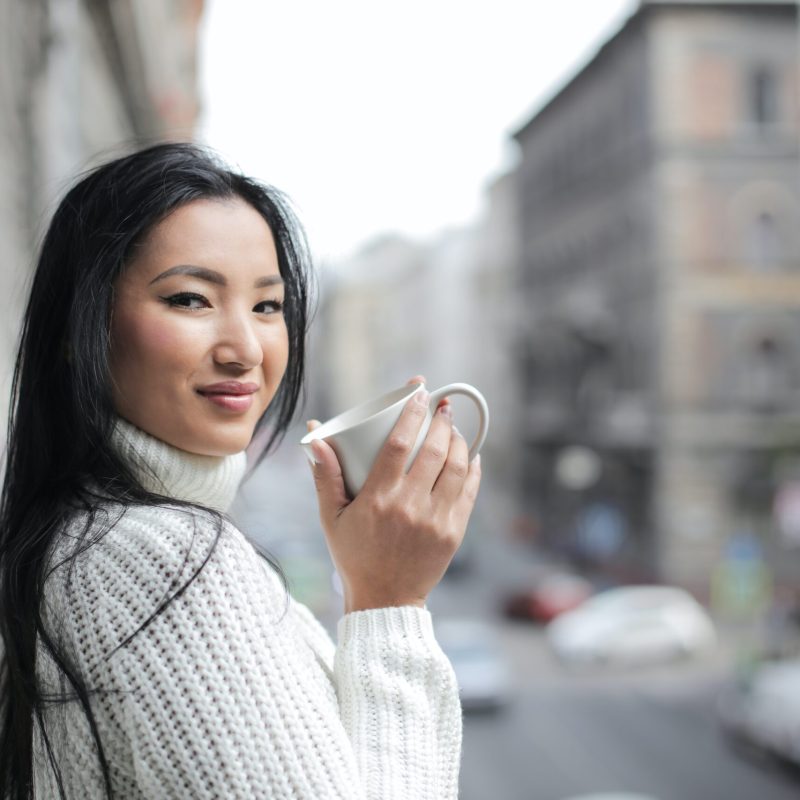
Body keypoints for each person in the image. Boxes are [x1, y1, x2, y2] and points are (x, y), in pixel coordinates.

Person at [0, 142, 481, 799]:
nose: (245, 350)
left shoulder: (80, 539)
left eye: (267, 306)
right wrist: (387, 601)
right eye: (191, 300)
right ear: (82, 325)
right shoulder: (165, 562)